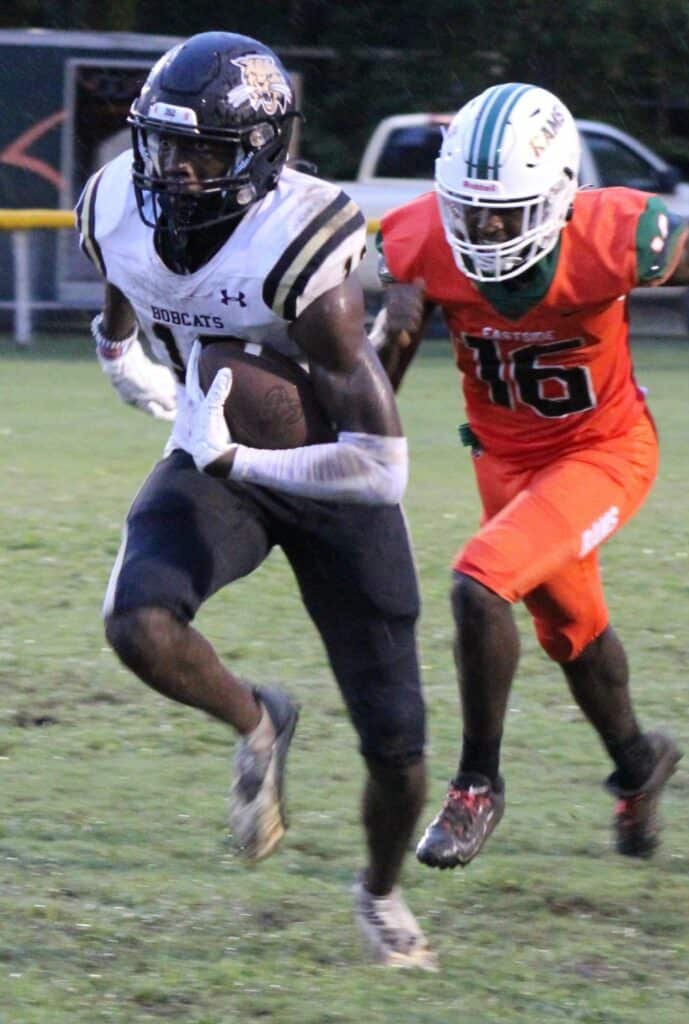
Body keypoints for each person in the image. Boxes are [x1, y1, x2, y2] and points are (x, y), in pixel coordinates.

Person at [75, 31, 435, 969]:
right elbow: (125, 293)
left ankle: (380, 890)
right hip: (217, 450)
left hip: (327, 475)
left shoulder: (304, 251)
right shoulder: (114, 204)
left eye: (205, 153)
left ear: (264, 156)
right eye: (163, 146)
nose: (176, 172)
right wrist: (126, 363)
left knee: (397, 751)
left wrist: (238, 460)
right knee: (137, 622)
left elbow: (384, 466)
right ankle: (257, 720)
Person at [373, 82, 689, 869]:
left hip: (603, 451)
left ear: (557, 194)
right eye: (470, 208)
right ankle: (639, 767)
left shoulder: (612, 234)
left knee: (478, 582)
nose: (485, 227)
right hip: (503, 461)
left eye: (504, 210)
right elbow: (382, 376)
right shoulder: (421, 241)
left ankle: (476, 785)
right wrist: (390, 341)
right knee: (573, 636)